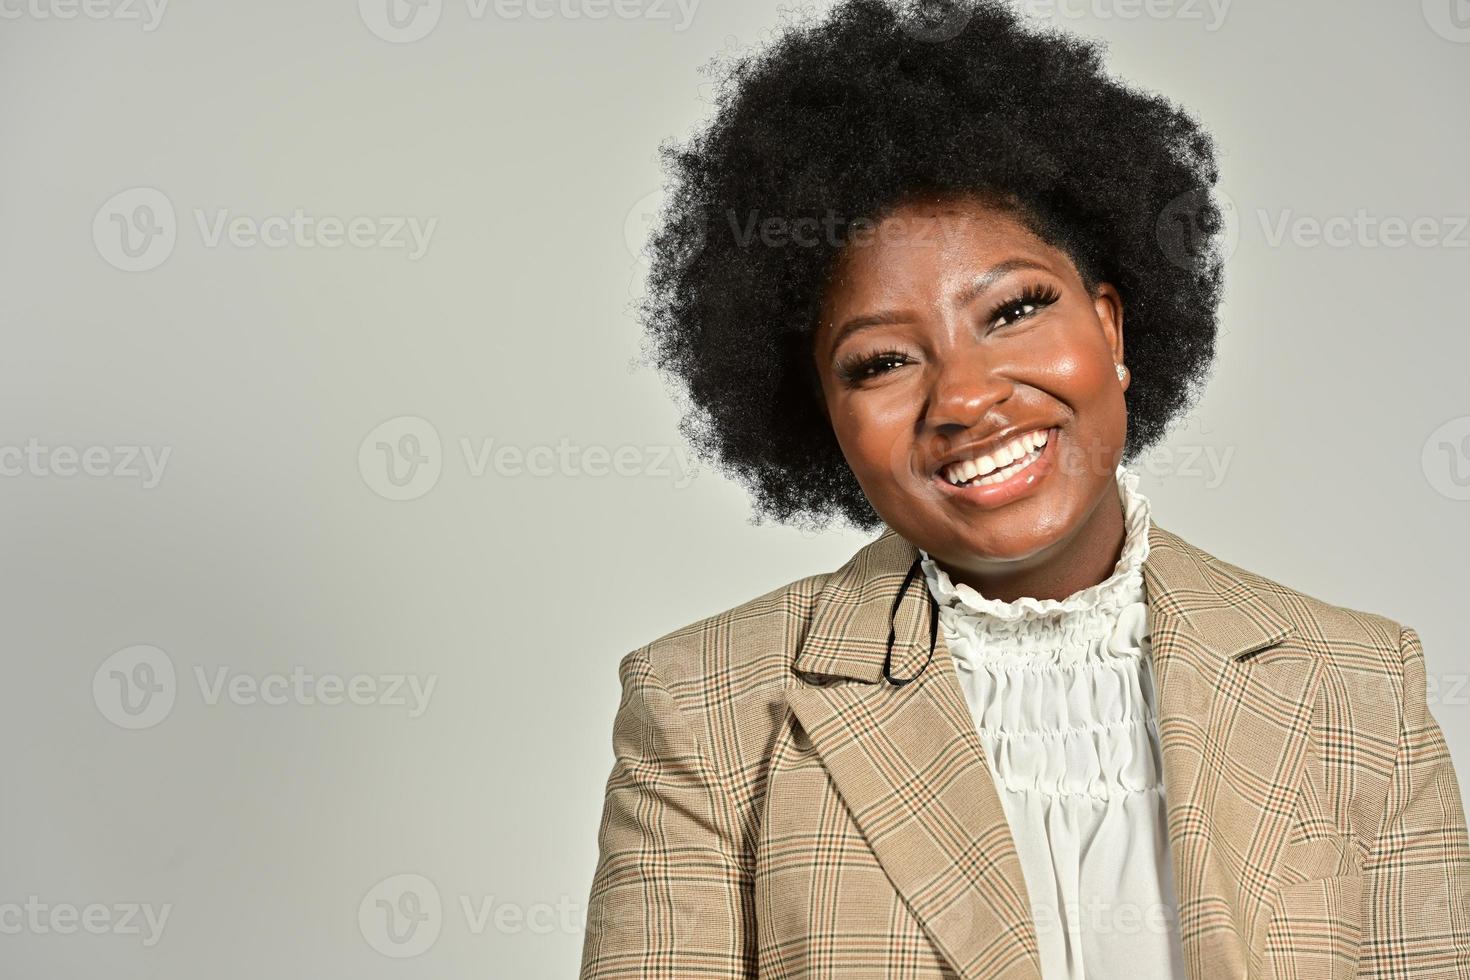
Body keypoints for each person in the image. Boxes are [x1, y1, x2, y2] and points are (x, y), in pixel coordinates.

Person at [580, 1, 1470, 976]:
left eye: (1013, 309)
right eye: (881, 362)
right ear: (823, 415)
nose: (963, 397)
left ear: (1113, 329)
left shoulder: (1360, 686)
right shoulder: (704, 708)